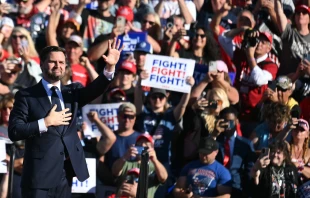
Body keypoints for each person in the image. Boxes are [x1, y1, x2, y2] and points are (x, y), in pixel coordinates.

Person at [8, 38, 123, 197]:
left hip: (65, 175)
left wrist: (110, 67)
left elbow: (96, 89)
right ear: (41, 64)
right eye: (52, 62)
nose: (58, 66)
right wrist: (46, 122)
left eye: (62, 62)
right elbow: (14, 131)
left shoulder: (72, 92)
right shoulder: (26, 96)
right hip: (38, 177)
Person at [213, 107, 256, 198]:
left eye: (231, 122)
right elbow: (205, 154)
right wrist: (215, 133)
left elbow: (249, 171)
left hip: (237, 186)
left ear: (236, 121)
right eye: (224, 122)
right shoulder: (215, 141)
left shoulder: (246, 144)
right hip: (217, 185)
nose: (228, 125)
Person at [112, 133, 168, 198]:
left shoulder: (154, 167)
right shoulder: (126, 163)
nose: (142, 146)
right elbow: (115, 171)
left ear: (152, 148)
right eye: (139, 144)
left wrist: (154, 160)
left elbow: (163, 178)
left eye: (146, 145)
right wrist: (125, 156)